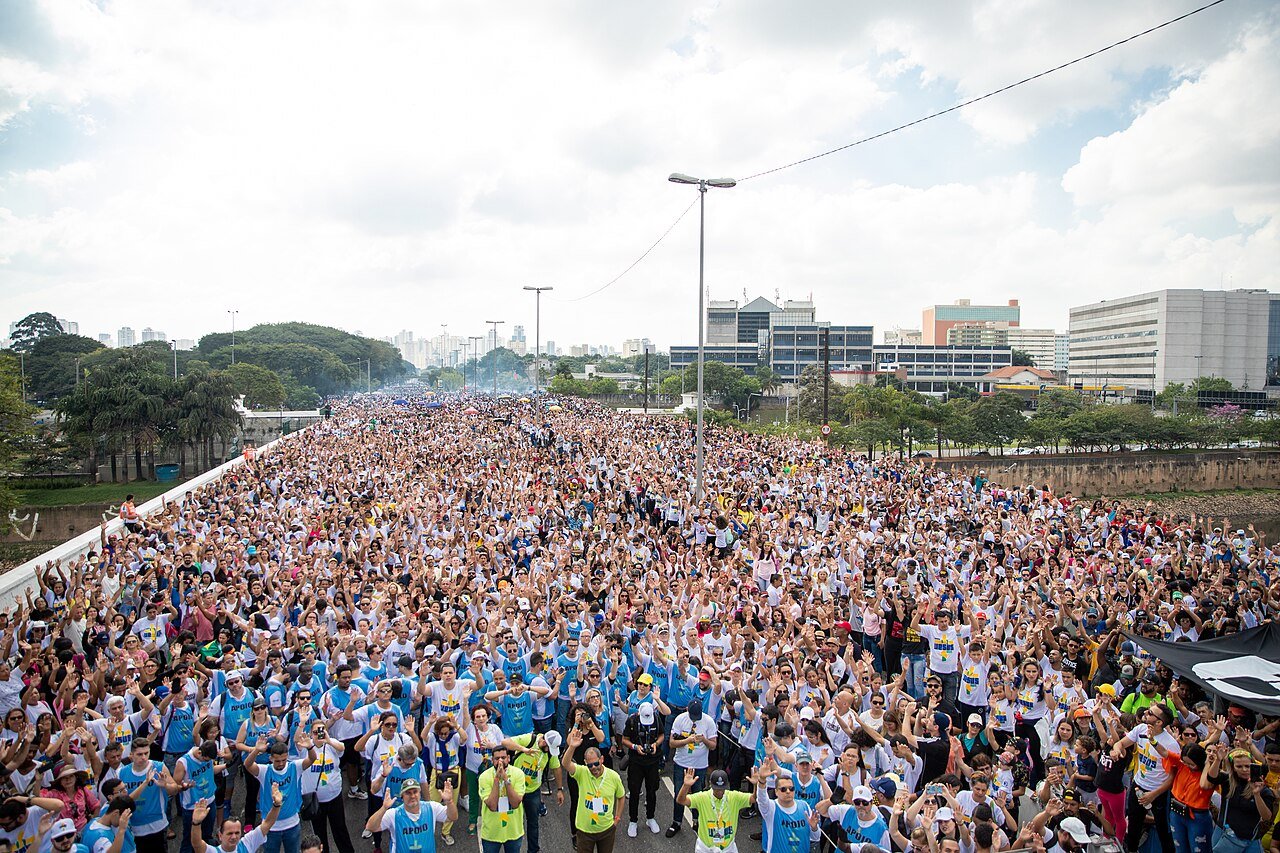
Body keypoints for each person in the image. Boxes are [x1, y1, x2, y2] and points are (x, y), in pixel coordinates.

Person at [243, 738, 316, 853]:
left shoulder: (294, 767)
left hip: (292, 824)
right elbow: (247, 765)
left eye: (284, 760)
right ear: (271, 758)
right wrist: (256, 750)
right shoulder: (264, 771)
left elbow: (312, 759)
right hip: (270, 827)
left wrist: (310, 747)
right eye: (277, 761)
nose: (281, 763)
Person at [563, 730, 626, 853]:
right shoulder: (582, 772)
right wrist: (571, 746)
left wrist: (617, 818)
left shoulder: (613, 776)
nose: (594, 768)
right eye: (590, 765)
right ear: (585, 763)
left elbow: (621, 796)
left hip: (606, 830)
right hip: (585, 831)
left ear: (602, 759)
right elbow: (565, 763)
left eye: (596, 763)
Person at [1206, 743, 1275, 853]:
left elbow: (1266, 817)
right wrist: (1218, 760)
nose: (1244, 769)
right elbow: (1211, 777)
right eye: (1239, 766)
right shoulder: (1227, 781)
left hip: (1250, 839)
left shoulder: (1263, 790)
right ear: (1233, 768)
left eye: (1247, 766)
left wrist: (1256, 794)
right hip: (1226, 836)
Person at [503, 730, 564, 853]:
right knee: (511, 821)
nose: (550, 752)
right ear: (543, 742)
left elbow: (556, 768)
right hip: (515, 789)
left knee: (533, 823)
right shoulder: (529, 739)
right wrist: (523, 749)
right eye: (549, 748)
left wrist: (559, 789)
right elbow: (505, 742)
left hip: (533, 791)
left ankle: (533, 850)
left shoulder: (550, 753)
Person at [365, 777, 456, 853]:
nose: (412, 796)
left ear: (419, 793)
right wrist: (384, 808)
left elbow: (453, 817)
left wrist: (449, 801)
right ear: (402, 796)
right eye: (408, 793)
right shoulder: (393, 814)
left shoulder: (432, 807)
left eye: (415, 792)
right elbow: (370, 827)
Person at [678, 767, 755, 853]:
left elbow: (754, 798)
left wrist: (757, 785)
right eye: (716, 789)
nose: (719, 792)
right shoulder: (702, 798)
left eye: (722, 789)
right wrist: (686, 786)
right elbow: (681, 800)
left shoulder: (734, 797)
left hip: (728, 848)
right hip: (705, 849)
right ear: (710, 784)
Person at [669, 700, 717, 838]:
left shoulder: (708, 721)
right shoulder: (680, 719)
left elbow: (713, 745)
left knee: (698, 794)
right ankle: (676, 822)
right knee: (679, 793)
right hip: (681, 763)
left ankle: (697, 821)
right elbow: (672, 743)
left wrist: (704, 740)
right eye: (692, 716)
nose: (695, 719)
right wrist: (687, 741)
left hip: (700, 765)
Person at [189, 786, 283, 853]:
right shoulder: (213, 851)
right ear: (220, 835)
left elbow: (267, 824)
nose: (234, 837)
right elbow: (197, 844)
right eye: (230, 833)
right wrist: (196, 823)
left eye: (237, 833)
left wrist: (277, 805)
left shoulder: (247, 843)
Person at [619, 701, 664, 837]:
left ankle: (650, 818)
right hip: (636, 762)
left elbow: (662, 735)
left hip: (653, 761)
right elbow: (624, 739)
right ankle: (633, 821)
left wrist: (655, 744)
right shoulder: (632, 720)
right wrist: (635, 747)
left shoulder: (656, 718)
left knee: (652, 791)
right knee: (634, 791)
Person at [477, 744, 524, 853]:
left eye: (503, 758)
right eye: (497, 758)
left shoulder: (518, 774)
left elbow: (516, 803)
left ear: (508, 758)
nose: (500, 761)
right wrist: (497, 779)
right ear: (492, 760)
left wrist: (506, 779)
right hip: (491, 834)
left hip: (513, 831)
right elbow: (492, 806)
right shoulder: (484, 777)